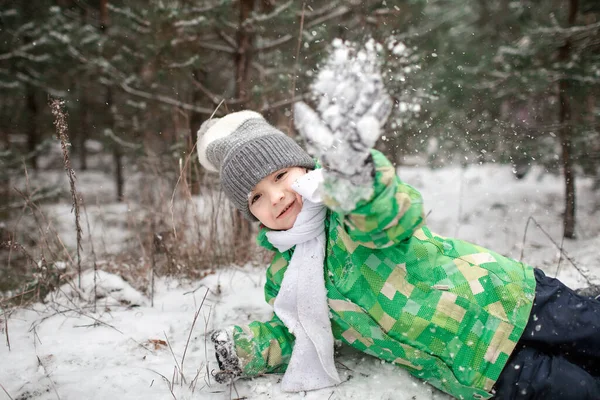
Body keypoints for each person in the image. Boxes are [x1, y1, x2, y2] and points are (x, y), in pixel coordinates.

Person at [196, 109, 600, 400]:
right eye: (257, 197)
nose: (277, 196)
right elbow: (302, 329)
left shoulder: (349, 213)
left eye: (280, 175)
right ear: (252, 214)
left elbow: (388, 214)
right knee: (579, 390)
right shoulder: (286, 275)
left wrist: (358, 184)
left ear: (306, 168)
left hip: (513, 300)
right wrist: (248, 348)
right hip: (477, 366)